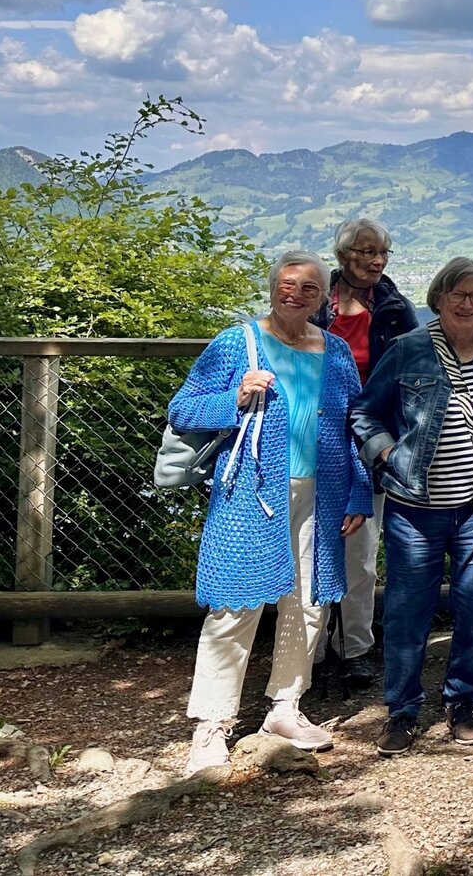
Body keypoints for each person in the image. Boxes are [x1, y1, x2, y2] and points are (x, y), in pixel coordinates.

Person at [170, 250, 373, 775]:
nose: (295, 294)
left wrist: (357, 491)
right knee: (235, 604)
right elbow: (183, 408)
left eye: (309, 288)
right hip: (251, 491)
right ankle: (211, 724)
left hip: (321, 493)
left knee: (308, 602)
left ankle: (285, 707)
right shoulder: (237, 343)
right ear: (272, 287)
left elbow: (352, 426)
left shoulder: (335, 350)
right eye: (287, 283)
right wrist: (234, 398)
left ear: (323, 297)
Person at [352, 257, 473, 757]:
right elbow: (365, 412)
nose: (468, 304)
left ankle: (463, 700)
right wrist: (387, 454)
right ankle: (402, 710)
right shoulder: (409, 349)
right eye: (458, 295)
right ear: (439, 299)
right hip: (415, 505)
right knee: (408, 611)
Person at [309, 218, 417, 689]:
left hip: (371, 440)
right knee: (311, 546)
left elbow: (413, 372)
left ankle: (354, 647)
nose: (376, 261)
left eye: (382, 253)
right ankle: (308, 650)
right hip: (316, 439)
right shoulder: (317, 302)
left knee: (361, 552)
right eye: (366, 252)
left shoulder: (394, 308)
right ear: (343, 255)